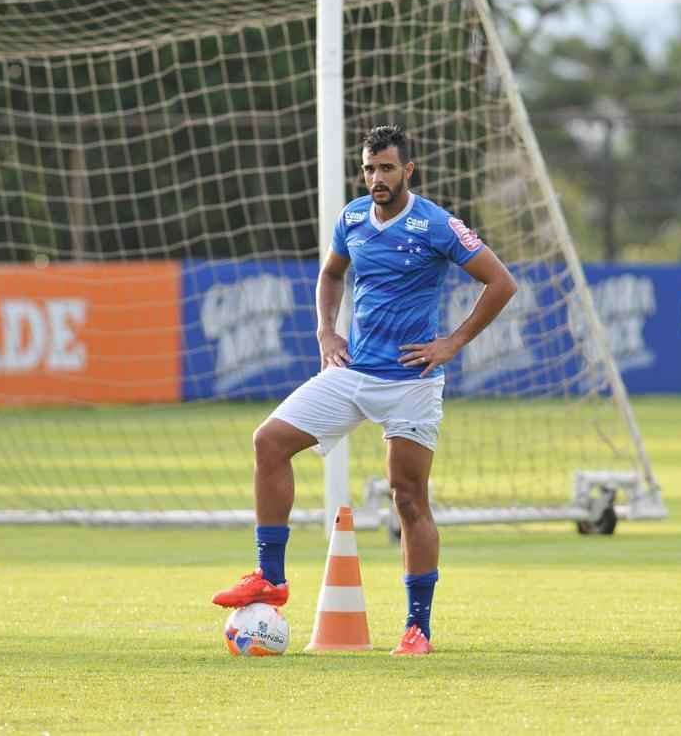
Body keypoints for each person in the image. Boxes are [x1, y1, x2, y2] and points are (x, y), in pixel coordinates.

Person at [211, 124, 517, 656]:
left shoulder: (437, 224)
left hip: (412, 381)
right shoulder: (352, 217)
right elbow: (331, 274)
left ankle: (417, 628)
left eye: (387, 169)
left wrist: (452, 342)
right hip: (353, 372)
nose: (376, 178)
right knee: (269, 441)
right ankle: (270, 577)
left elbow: (502, 282)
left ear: (409, 171)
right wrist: (326, 330)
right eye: (370, 168)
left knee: (408, 499)